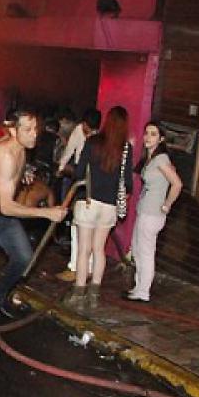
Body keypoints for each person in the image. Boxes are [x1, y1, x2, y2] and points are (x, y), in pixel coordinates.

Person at [0, 110, 67, 320]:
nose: (34, 134)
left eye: (35, 128)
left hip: (1, 218)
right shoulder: (6, 155)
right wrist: (47, 212)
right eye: (27, 130)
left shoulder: (20, 148)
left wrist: (22, 173)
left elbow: (6, 181)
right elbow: (7, 207)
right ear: (13, 131)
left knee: (24, 258)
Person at [64, 106, 133, 312]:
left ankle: (78, 293)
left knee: (84, 250)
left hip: (89, 201)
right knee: (99, 250)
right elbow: (128, 183)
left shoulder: (93, 142)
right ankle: (94, 295)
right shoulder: (126, 149)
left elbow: (79, 173)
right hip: (109, 206)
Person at [124, 121, 182, 302]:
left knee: (146, 253)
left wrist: (167, 204)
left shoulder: (161, 159)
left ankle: (143, 291)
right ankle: (138, 287)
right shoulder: (151, 158)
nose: (148, 137)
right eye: (147, 133)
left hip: (153, 213)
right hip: (145, 210)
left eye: (153, 134)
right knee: (138, 251)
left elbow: (177, 184)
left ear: (161, 139)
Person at [55, 108, 102, 282]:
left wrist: (62, 168)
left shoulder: (91, 141)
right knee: (90, 228)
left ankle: (76, 267)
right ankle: (88, 267)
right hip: (94, 186)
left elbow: (71, 154)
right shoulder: (100, 139)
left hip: (82, 182)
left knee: (78, 225)